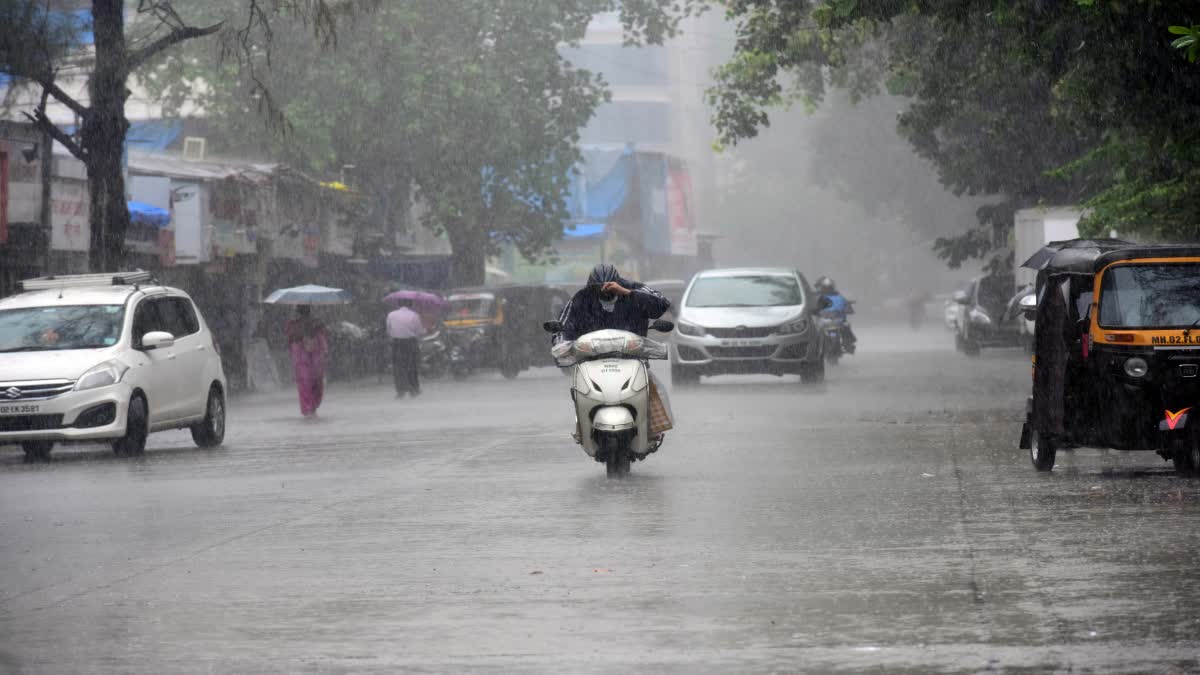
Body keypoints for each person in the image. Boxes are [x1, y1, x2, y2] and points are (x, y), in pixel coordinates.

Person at [554, 264, 672, 344]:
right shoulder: (581, 299)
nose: (605, 290)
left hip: (633, 358)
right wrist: (561, 344)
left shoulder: (634, 288)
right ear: (590, 286)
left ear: (618, 282)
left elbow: (662, 304)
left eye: (610, 286)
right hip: (590, 361)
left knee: (651, 382)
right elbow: (562, 327)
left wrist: (627, 293)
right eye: (598, 287)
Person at [286, 305, 329, 419]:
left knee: (308, 383)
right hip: (308, 359)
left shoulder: (314, 324)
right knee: (311, 383)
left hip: (307, 359)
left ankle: (310, 409)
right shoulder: (299, 325)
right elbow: (323, 342)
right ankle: (311, 409)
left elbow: (290, 342)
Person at [386, 299, 425, 398]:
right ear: (410, 305)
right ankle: (414, 389)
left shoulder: (391, 315)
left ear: (399, 304)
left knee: (398, 368)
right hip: (410, 343)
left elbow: (389, 330)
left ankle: (400, 390)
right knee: (412, 366)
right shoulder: (414, 315)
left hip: (397, 343)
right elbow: (419, 331)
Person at [815, 276, 857, 349]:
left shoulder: (839, 297)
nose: (828, 289)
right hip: (826, 322)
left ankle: (847, 344)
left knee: (846, 326)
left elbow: (849, 310)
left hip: (835, 321)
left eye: (829, 287)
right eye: (826, 287)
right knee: (815, 331)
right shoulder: (819, 297)